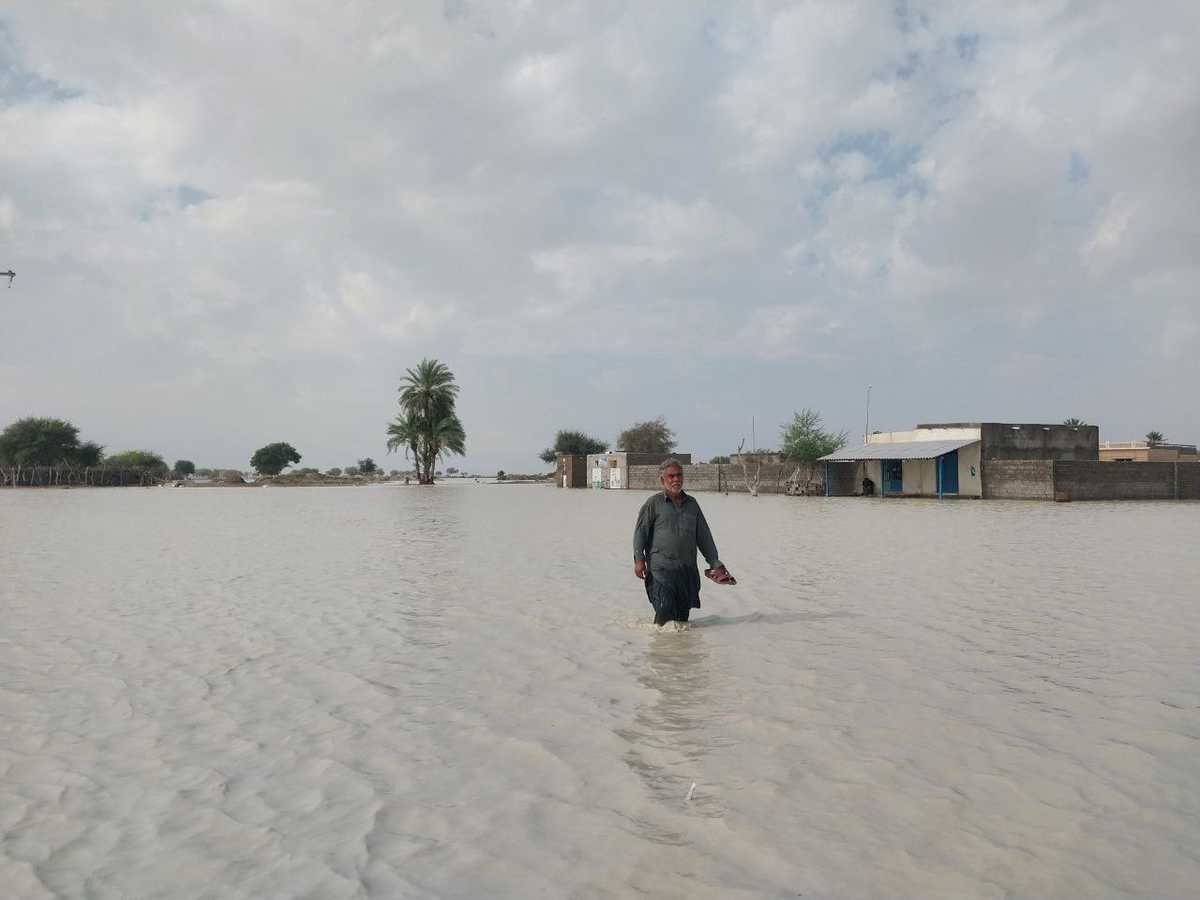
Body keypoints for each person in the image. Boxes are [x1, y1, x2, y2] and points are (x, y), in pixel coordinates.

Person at [633, 458, 731, 626]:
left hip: (686, 571)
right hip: (660, 570)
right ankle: (658, 649)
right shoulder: (653, 504)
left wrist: (715, 563)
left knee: (681, 620)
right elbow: (640, 532)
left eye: (679, 475)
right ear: (662, 480)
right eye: (671, 476)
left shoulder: (692, 504)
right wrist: (639, 560)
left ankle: (679, 651)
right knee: (664, 610)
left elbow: (704, 537)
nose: (676, 480)